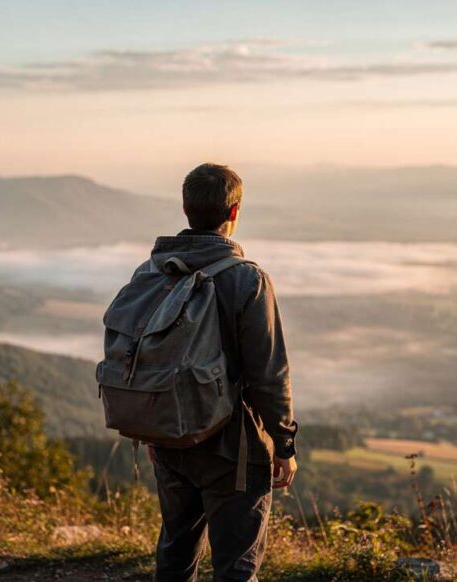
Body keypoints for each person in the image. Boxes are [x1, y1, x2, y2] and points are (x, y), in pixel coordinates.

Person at [144, 163, 298, 581]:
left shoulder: (153, 271)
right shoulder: (247, 281)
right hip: (233, 447)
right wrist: (284, 443)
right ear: (234, 213)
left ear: (185, 209)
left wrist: (154, 430)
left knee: (175, 554)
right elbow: (269, 373)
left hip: (169, 436)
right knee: (235, 566)